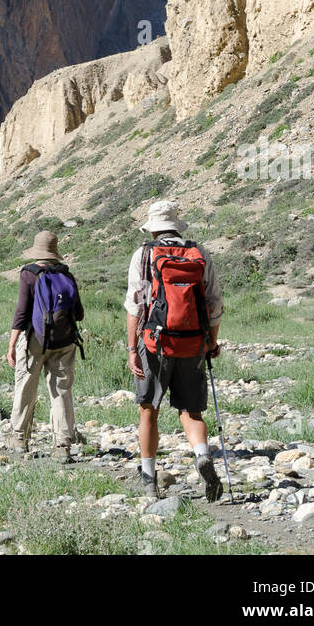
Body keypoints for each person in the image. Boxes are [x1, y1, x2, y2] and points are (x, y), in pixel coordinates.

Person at [124, 200, 224, 501]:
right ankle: (202, 454)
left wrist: (132, 348)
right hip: (192, 341)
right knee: (190, 410)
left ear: (153, 228)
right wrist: (211, 341)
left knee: (148, 409)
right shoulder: (199, 253)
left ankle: (149, 480)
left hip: (154, 342)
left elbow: (135, 305)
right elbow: (214, 303)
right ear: (176, 225)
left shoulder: (144, 254)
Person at [5, 230, 85, 463]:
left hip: (34, 340)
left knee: (26, 386)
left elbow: (21, 312)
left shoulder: (29, 274)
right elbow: (78, 314)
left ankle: (19, 437)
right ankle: (62, 444)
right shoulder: (67, 275)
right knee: (61, 391)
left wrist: (11, 345)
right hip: (65, 342)